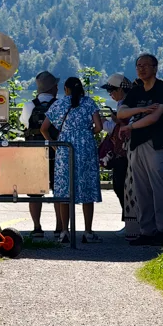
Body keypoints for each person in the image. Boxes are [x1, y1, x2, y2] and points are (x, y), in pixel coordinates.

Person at [116, 53, 163, 244]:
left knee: (159, 186)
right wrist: (141, 110)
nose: (141, 68)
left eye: (145, 65)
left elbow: (155, 117)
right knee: (141, 188)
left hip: (158, 143)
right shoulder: (136, 91)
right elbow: (121, 112)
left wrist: (130, 126)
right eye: (138, 65)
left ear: (155, 67)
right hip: (137, 144)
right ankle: (147, 231)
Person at [41, 76, 103, 243]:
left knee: (63, 190)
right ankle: (88, 232)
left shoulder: (59, 104)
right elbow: (99, 127)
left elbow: (44, 128)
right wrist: (86, 134)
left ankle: (64, 232)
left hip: (64, 147)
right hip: (86, 148)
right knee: (87, 188)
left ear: (66, 89)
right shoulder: (89, 103)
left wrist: (54, 144)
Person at [19, 70, 62, 236]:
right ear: (53, 88)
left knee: (35, 192)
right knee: (59, 190)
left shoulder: (29, 105)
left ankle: (37, 227)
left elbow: (24, 124)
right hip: (57, 151)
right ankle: (60, 228)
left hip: (34, 152)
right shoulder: (59, 105)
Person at [99, 73, 132, 225]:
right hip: (124, 151)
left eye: (111, 90)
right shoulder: (124, 103)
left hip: (124, 152)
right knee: (121, 186)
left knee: (120, 186)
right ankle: (128, 219)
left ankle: (129, 219)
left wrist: (104, 122)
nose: (110, 94)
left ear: (120, 90)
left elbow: (118, 128)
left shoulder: (126, 105)